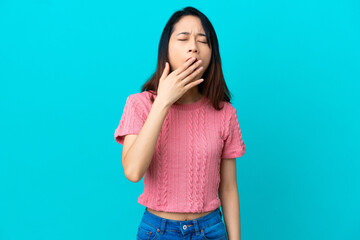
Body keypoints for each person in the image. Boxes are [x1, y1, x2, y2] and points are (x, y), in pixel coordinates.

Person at [114, 6, 246, 240]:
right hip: (158, 231)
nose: (193, 46)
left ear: (212, 53)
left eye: (202, 40)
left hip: (211, 230)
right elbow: (133, 171)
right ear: (165, 49)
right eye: (183, 38)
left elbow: (228, 188)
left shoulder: (225, 113)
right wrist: (163, 101)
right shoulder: (139, 105)